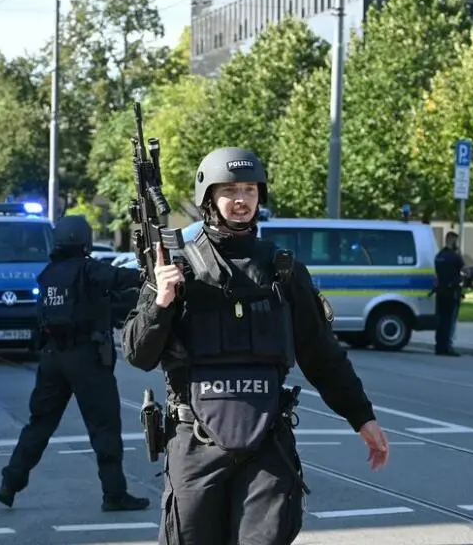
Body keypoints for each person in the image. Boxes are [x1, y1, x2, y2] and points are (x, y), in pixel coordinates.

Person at [122, 147, 389, 545]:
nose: (241, 199)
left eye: (249, 189)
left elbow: (321, 354)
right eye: (229, 190)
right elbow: (138, 354)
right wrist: (162, 300)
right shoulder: (177, 267)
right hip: (196, 442)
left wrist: (362, 417)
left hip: (268, 441)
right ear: (208, 198)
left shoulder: (284, 271)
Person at [0, 214, 150, 512]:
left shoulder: (48, 274)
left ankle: (10, 482)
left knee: (39, 424)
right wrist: (149, 273)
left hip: (52, 358)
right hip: (86, 358)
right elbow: (116, 278)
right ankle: (114, 494)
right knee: (104, 427)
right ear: (85, 240)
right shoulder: (88, 268)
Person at [434, 230, 465, 356]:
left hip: (440, 291)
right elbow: (465, 271)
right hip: (452, 292)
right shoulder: (455, 257)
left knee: (441, 320)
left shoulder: (439, 256)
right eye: (456, 241)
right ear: (452, 241)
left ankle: (439, 346)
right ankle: (447, 346)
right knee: (450, 320)